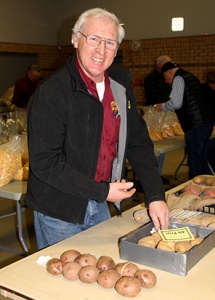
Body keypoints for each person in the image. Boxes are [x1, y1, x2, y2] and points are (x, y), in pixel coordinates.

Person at [25, 7, 169, 250]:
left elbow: (138, 141)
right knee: (65, 283)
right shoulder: (53, 93)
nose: (101, 50)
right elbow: (44, 163)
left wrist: (155, 196)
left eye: (110, 42)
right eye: (93, 39)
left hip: (100, 202)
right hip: (59, 211)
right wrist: (102, 192)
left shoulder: (120, 84)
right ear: (75, 39)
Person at [155, 61, 213, 179]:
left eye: (165, 77)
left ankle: (195, 188)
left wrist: (162, 106)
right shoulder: (190, 76)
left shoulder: (178, 78)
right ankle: (207, 187)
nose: (166, 81)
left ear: (169, 72)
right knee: (202, 158)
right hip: (205, 122)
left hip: (195, 125)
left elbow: (175, 103)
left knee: (194, 161)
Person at [144, 55, 172, 183]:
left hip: (164, 113)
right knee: (155, 149)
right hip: (155, 115)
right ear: (160, 66)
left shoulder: (164, 77)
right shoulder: (151, 79)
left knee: (163, 149)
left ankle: (158, 175)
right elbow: (153, 98)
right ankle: (153, 177)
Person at [202, 69, 215, 173]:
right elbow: (202, 109)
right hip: (207, 123)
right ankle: (209, 172)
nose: (213, 86)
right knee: (209, 147)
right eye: (210, 84)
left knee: (212, 147)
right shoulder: (202, 89)